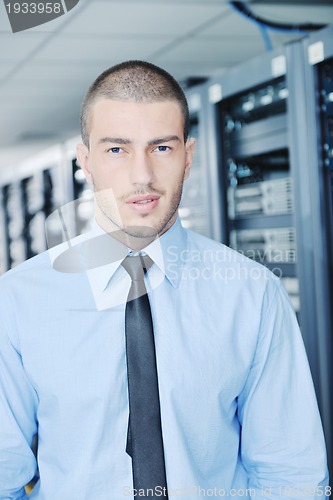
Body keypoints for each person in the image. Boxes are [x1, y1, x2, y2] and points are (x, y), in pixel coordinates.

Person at [0, 60, 329, 500]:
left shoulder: (252, 294)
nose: (142, 176)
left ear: (188, 157)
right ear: (86, 161)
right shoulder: (19, 300)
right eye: (117, 150)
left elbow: (291, 475)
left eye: (162, 148)